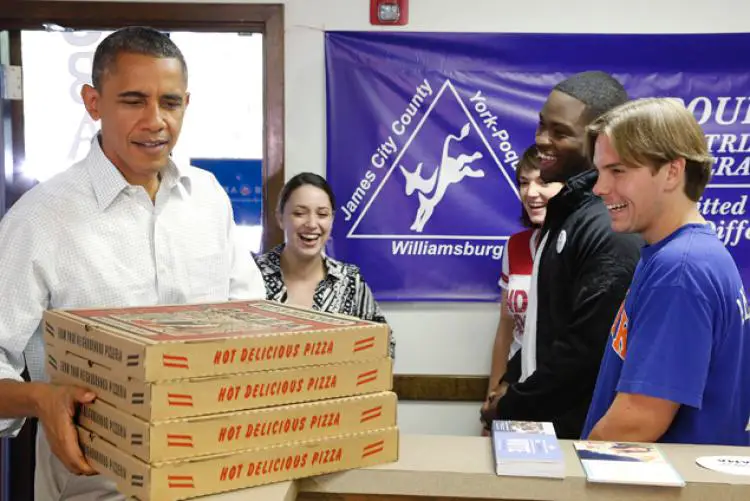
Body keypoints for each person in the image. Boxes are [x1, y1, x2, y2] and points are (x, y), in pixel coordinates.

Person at [0, 27, 266, 500]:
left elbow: (251, 319)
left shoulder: (208, 198)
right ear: (93, 102)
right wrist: (41, 398)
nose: (155, 120)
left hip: (215, 475)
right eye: (132, 100)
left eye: (169, 102)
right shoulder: (41, 218)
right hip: (95, 486)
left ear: (186, 102)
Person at [481, 71, 643, 439]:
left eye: (560, 132)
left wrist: (511, 404)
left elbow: (585, 351)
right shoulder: (564, 217)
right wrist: (510, 380)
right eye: (541, 125)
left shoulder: (606, 225)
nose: (541, 140)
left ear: (601, 141)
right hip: (543, 434)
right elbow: (546, 327)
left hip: (580, 441)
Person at [582, 98, 750, 446]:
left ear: (672, 172)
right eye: (600, 172)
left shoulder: (681, 268)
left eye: (618, 171)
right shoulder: (686, 255)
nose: (599, 188)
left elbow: (638, 421)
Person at [253, 172, 395, 357]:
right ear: (280, 218)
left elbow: (384, 346)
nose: (312, 224)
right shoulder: (252, 274)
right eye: (299, 213)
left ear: (332, 220)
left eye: (322, 214)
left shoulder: (350, 282)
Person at [485, 146, 562, 400]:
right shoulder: (515, 245)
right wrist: (493, 395)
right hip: (516, 386)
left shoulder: (582, 245)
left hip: (560, 390)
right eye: (524, 182)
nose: (531, 193)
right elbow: (506, 326)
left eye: (543, 182)